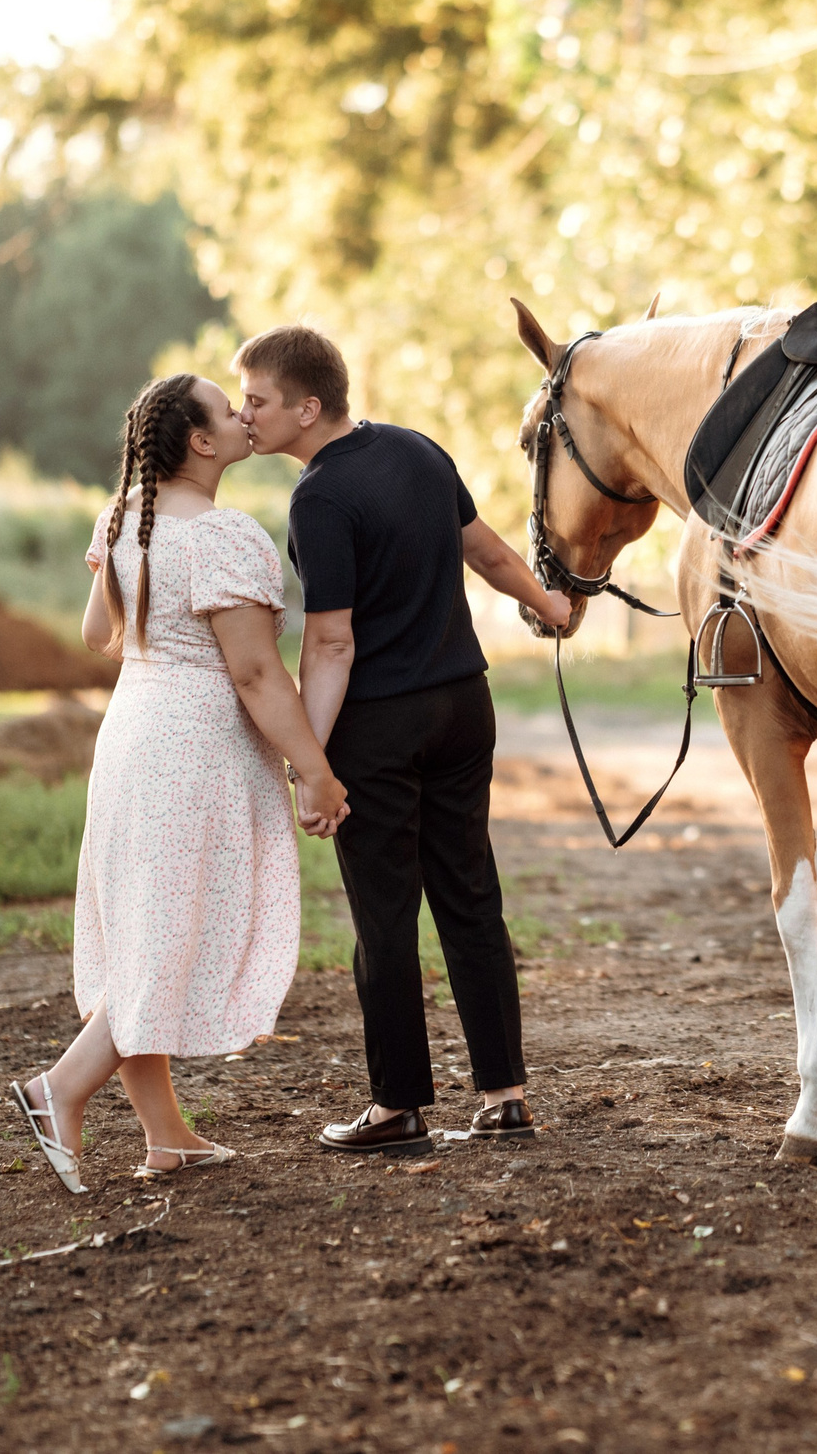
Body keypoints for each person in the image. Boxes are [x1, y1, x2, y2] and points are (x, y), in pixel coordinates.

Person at [8, 373, 351, 1195]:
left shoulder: (125, 517)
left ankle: (167, 1135)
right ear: (201, 441)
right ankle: (57, 1089)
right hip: (190, 753)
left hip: (130, 736)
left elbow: (100, 633)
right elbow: (258, 675)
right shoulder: (225, 535)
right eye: (228, 409)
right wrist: (317, 768)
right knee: (167, 940)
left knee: (146, 931)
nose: (242, 416)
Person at [232, 325, 571, 1156]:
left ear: (307, 408)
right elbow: (486, 550)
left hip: (381, 723)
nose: (245, 414)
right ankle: (505, 1095)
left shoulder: (318, 497)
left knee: (385, 916)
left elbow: (333, 643)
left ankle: (397, 1107)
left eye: (257, 399)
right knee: (470, 898)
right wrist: (551, 605)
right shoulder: (419, 448)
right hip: (464, 704)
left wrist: (311, 762)